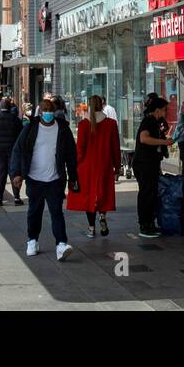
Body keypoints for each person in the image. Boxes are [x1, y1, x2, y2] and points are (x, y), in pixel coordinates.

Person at [9, 96, 79, 260]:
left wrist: (73, 177)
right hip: (34, 178)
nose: (48, 113)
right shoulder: (31, 128)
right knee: (34, 211)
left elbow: (71, 154)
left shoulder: (62, 129)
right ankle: (32, 240)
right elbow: (18, 150)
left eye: (50, 110)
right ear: (39, 112)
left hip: (55, 179)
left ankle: (61, 244)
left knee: (56, 212)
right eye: (44, 110)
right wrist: (16, 173)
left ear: (54, 112)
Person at [67, 94, 120, 238]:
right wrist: (117, 166)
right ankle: (102, 216)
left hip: (86, 166)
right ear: (102, 105)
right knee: (103, 192)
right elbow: (115, 147)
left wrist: (74, 166)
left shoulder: (84, 124)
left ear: (89, 106)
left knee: (89, 196)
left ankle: (91, 228)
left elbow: (80, 149)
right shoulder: (111, 124)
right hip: (105, 164)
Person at [135, 94, 172, 238]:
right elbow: (144, 139)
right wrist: (163, 143)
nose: (165, 113)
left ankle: (150, 223)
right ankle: (145, 225)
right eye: (164, 110)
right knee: (146, 193)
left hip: (152, 163)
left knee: (151, 193)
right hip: (144, 163)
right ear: (157, 110)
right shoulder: (149, 121)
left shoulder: (157, 122)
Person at [0, 97, 24, 206]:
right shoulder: (15, 119)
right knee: (14, 173)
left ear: (0, 107)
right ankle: (17, 198)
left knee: (0, 174)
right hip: (12, 150)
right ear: (10, 107)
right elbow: (21, 136)